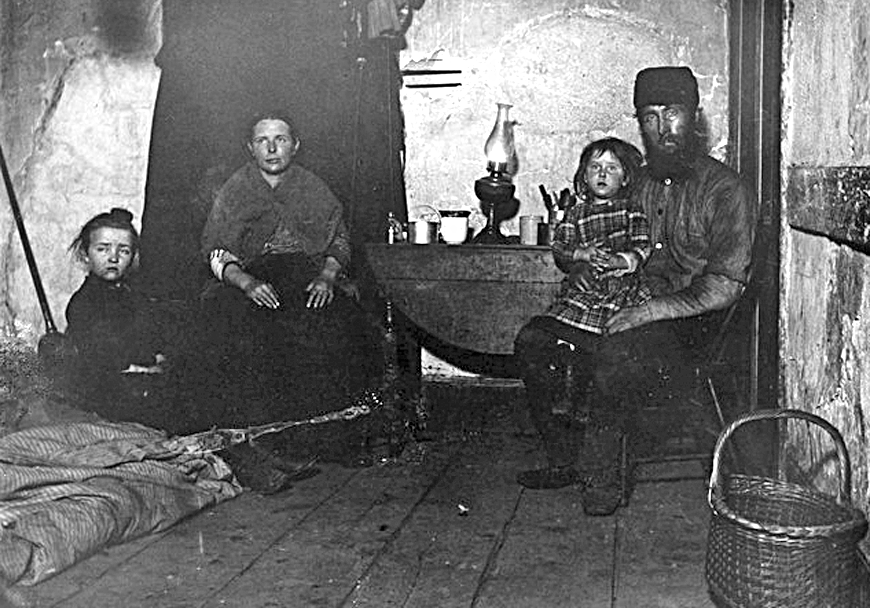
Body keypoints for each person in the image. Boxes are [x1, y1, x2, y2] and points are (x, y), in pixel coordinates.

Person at [514, 66, 756, 516]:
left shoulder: (727, 190)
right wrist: (580, 266)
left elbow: (724, 287)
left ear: (695, 117)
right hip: (618, 305)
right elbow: (593, 239)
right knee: (533, 340)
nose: (662, 128)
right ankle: (568, 456)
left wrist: (649, 312)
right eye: (649, 116)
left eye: (674, 114)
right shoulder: (632, 182)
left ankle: (601, 482)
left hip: (692, 326)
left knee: (616, 354)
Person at [197, 110, 380, 450]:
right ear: (250, 148)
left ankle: (321, 432)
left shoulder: (313, 187)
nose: (271, 148)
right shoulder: (235, 189)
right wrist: (247, 283)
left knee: (334, 322)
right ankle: (255, 433)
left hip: (306, 274)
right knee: (233, 325)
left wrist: (327, 277)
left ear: (294, 146)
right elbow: (217, 250)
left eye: (279, 139)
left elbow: (339, 239)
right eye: (262, 141)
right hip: (251, 277)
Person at [60, 208, 171, 420]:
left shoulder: (135, 297)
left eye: (124, 251)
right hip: (106, 387)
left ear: (133, 257)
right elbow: (104, 354)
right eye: (103, 249)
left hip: (141, 378)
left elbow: (153, 333)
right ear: (85, 254)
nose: (113, 257)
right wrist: (147, 360)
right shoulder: (83, 303)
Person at [546, 137, 651, 335]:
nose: (602, 173)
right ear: (585, 176)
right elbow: (559, 246)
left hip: (622, 287)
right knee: (559, 323)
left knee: (615, 328)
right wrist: (581, 254)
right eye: (595, 167)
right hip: (586, 285)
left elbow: (643, 245)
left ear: (625, 178)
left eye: (612, 168)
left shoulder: (630, 209)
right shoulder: (576, 213)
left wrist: (620, 260)